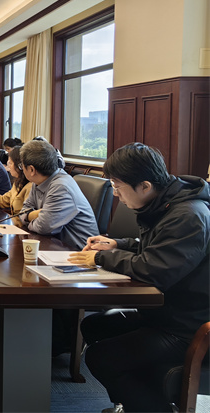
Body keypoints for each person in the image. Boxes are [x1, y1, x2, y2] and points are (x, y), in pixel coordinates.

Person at [68, 143, 210, 413]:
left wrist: (100, 258)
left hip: (187, 328)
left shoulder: (188, 215)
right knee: (96, 326)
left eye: (117, 186)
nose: (115, 193)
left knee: (101, 357)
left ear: (144, 186)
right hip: (166, 313)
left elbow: (155, 269)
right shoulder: (167, 203)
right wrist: (117, 244)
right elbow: (158, 248)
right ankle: (135, 401)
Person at [19, 139, 98, 249]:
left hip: (78, 251)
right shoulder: (37, 182)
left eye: (22, 166)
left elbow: (43, 227)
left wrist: (28, 218)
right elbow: (23, 211)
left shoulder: (61, 187)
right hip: (53, 245)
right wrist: (32, 216)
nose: (22, 169)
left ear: (32, 170)